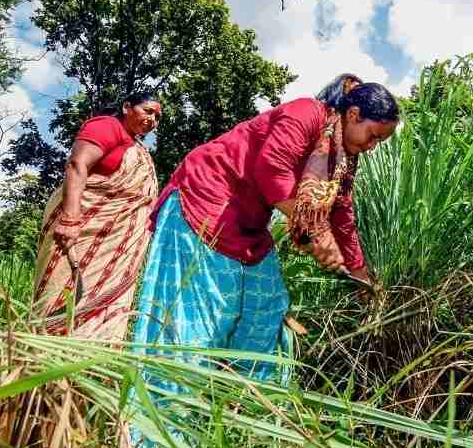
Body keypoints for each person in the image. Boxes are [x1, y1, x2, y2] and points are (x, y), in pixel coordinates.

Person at [130, 74, 399, 385]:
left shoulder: (342, 161)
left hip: (250, 222)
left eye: (380, 141)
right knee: (196, 317)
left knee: (266, 306)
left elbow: (342, 213)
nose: (372, 146)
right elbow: (272, 169)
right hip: (208, 200)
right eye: (373, 135)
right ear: (354, 116)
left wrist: (359, 271)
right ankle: (166, 413)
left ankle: (247, 404)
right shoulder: (306, 113)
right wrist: (317, 233)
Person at [32, 92, 162, 340]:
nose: (153, 119)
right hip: (80, 230)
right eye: (148, 111)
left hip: (115, 246)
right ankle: (40, 361)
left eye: (157, 117)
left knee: (104, 305)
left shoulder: (138, 148)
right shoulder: (108, 126)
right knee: (60, 294)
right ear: (126, 107)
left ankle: (87, 369)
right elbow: (77, 165)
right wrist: (70, 219)